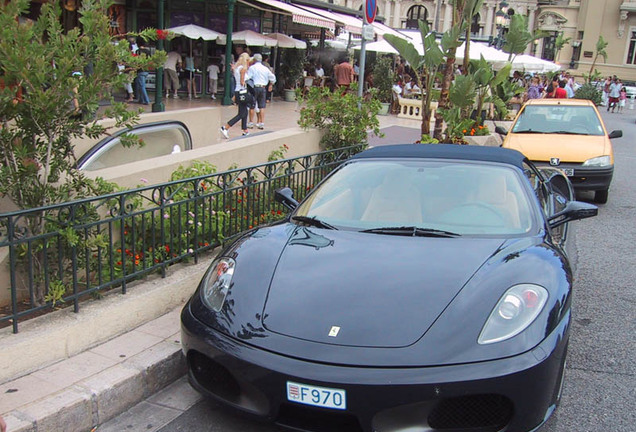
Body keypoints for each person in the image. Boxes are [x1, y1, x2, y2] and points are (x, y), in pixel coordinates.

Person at [220, 52, 252, 139]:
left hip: (238, 92)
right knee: (242, 113)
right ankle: (226, 127)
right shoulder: (243, 69)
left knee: (244, 112)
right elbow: (242, 82)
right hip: (242, 91)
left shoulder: (237, 68)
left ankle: (245, 130)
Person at [246, 53, 276, 130]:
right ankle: (261, 123)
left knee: (252, 105)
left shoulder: (252, 68)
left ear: (255, 60)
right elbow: (272, 78)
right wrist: (271, 85)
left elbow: (248, 77)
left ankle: (251, 122)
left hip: (254, 87)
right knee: (262, 106)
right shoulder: (265, 68)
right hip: (263, 88)